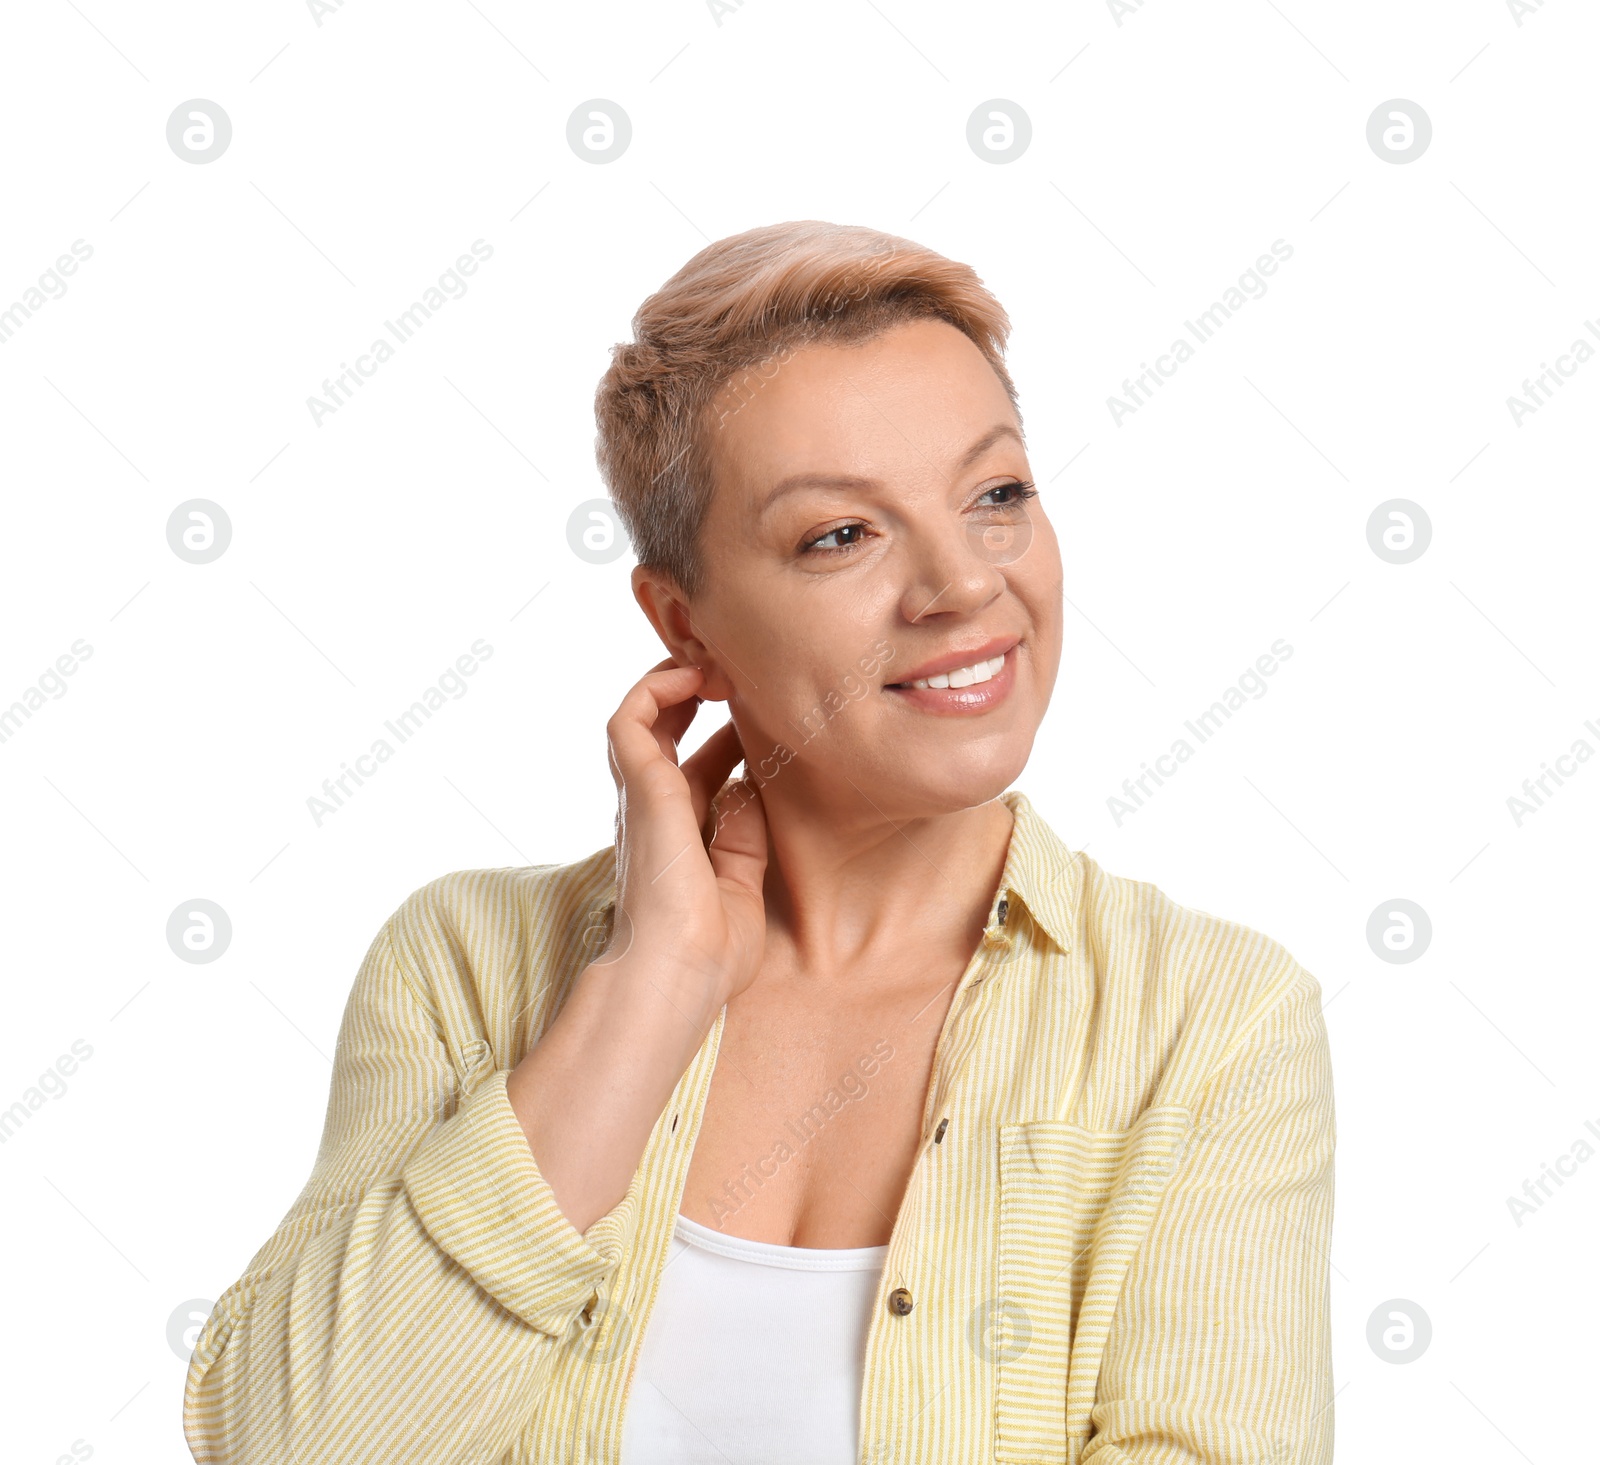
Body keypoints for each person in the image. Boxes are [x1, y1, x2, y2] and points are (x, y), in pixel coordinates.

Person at [183, 220, 1335, 1465]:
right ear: (687, 627)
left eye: (995, 494)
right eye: (841, 533)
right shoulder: (465, 966)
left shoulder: (1209, 1020)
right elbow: (289, 1446)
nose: (960, 583)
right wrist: (647, 993)